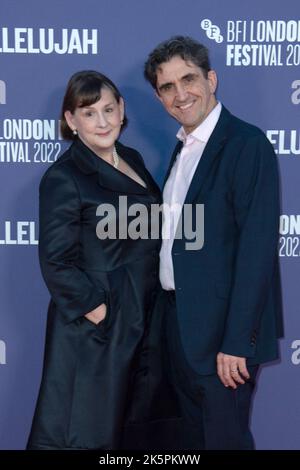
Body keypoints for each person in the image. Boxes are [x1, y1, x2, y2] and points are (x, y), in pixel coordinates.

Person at [143, 36, 283, 450]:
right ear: (158, 95)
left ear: (212, 79)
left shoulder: (245, 143)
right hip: (182, 331)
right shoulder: (183, 148)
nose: (180, 94)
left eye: (189, 79)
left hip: (224, 342)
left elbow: (256, 250)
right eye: (168, 87)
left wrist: (237, 342)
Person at [26, 70, 161, 450]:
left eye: (108, 109)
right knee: (84, 432)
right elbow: (56, 262)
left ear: (122, 110)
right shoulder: (64, 177)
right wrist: (102, 313)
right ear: (70, 120)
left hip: (142, 318)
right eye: (88, 113)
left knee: (127, 433)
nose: (102, 122)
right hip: (95, 333)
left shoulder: (131, 158)